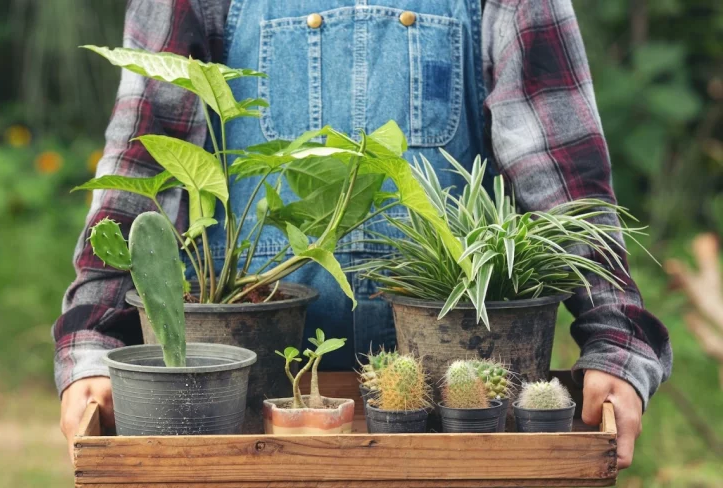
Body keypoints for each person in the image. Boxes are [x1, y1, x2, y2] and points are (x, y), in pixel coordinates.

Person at [56, 0, 672, 469]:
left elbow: (560, 169)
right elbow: (142, 166)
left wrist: (615, 340)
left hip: (453, 415)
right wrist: (93, 342)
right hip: (240, 417)